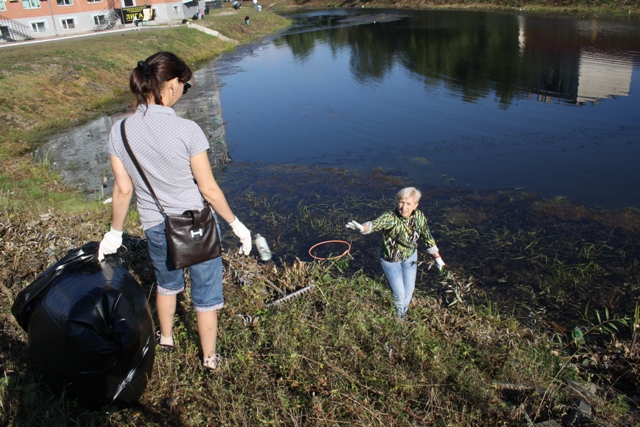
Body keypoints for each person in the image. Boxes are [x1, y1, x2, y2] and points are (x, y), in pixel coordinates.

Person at [98, 52, 252, 372]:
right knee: (206, 294)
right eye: (185, 84)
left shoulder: (120, 131)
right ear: (170, 84)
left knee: (167, 285)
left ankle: (165, 340)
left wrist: (114, 233)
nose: (184, 90)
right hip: (196, 224)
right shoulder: (187, 130)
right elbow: (208, 189)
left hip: (156, 227)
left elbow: (123, 190)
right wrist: (236, 224)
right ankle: (209, 360)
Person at [345, 187, 445, 320]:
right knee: (399, 293)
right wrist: (363, 228)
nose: (404, 207)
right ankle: (400, 321)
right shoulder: (390, 217)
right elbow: (375, 224)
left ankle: (402, 315)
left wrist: (438, 259)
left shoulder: (419, 217)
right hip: (390, 259)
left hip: (410, 256)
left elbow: (427, 237)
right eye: (401, 202)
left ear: (415, 205)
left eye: (408, 204)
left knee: (409, 291)